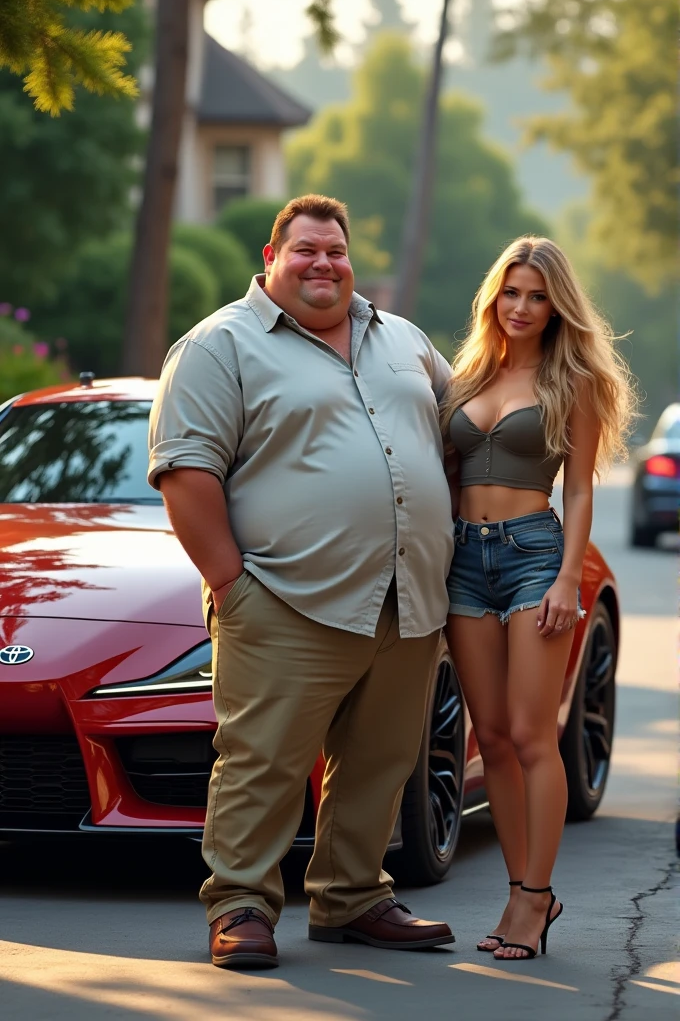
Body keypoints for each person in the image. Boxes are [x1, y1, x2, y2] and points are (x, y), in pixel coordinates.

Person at [148, 194, 456, 969]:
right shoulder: (220, 346)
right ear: (271, 257)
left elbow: (463, 428)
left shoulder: (405, 341)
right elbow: (186, 472)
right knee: (263, 760)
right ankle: (242, 904)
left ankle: (352, 897)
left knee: (383, 760)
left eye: (336, 251)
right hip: (284, 599)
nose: (324, 263)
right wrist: (232, 583)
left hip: (405, 599)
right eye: (306, 250)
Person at [440, 236, 634, 961]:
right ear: (494, 296)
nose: (521, 306)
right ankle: (525, 890)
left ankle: (531, 901)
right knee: (488, 739)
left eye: (537, 295)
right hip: (463, 559)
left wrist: (565, 578)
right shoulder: (469, 372)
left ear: (558, 306)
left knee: (530, 735)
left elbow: (579, 487)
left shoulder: (572, 379)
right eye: (511, 292)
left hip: (532, 556)